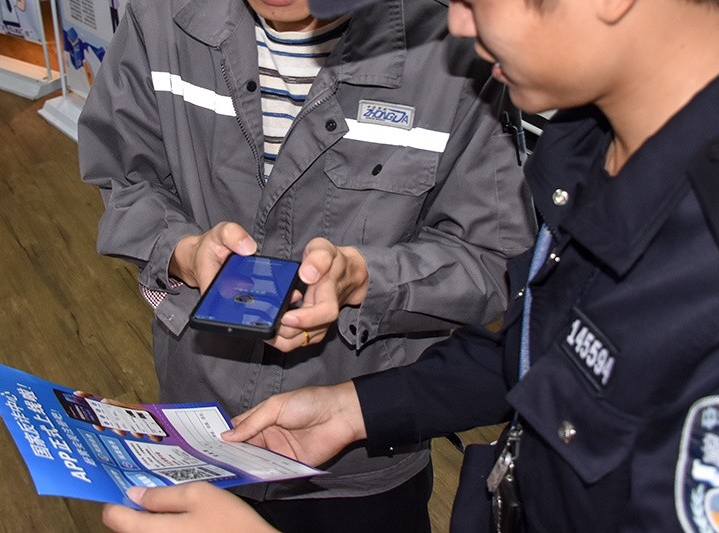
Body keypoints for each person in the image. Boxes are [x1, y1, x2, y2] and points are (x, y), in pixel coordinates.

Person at [101, 0, 719, 530]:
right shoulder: (584, 153)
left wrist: (371, 285)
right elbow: (542, 352)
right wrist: (357, 409)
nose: (458, 24)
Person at [78, 0, 535, 530]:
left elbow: (492, 259)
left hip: (359, 465)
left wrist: (364, 279)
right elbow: (124, 178)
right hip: (197, 430)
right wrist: (183, 250)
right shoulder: (159, 19)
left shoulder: (455, 51)